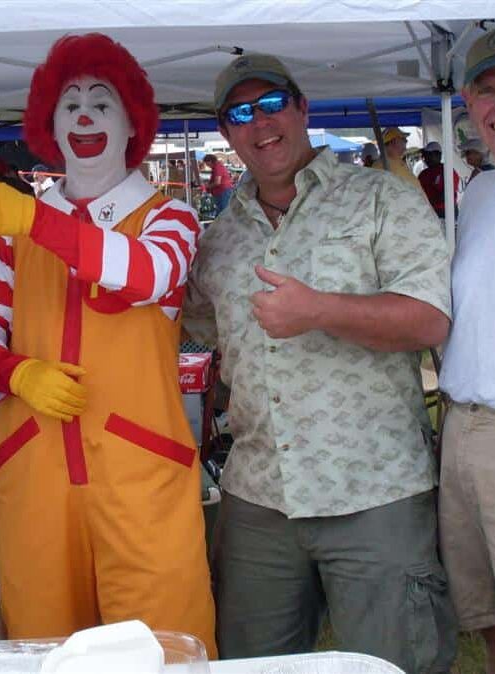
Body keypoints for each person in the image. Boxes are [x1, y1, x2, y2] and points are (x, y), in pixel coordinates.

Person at [0, 32, 216, 654]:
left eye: (102, 101)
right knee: (41, 648)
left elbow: (147, 275)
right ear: (50, 125)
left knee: (161, 646)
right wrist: (16, 374)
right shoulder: (17, 231)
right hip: (34, 472)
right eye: (70, 104)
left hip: (141, 473)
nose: (85, 115)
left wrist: (34, 219)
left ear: (131, 123)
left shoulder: (169, 216)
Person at [183, 52, 456, 671]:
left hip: (375, 489)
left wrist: (320, 311)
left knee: (395, 664)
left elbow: (428, 318)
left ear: (303, 107)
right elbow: (179, 322)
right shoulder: (219, 238)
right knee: (252, 664)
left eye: (273, 103)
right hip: (257, 499)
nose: (261, 123)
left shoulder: (381, 197)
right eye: (241, 114)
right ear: (227, 133)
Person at [439, 29, 495, 674]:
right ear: (469, 101)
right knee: (479, 607)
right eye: (488, 87)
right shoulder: (478, 189)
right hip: (463, 425)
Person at [418, 141, 460, 220]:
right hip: (428, 211)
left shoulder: (447, 171)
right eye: (424, 155)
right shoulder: (423, 174)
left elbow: (447, 195)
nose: (426, 158)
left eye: (429, 155)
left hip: (445, 211)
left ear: (438, 155)